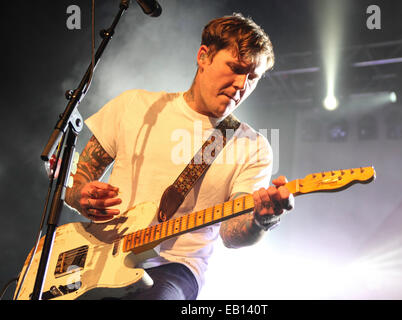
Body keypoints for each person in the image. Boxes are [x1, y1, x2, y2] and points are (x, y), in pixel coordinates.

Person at [64, 13, 294, 300]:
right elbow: (76, 181)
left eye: (253, 77)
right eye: (235, 68)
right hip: (95, 256)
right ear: (204, 57)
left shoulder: (252, 146)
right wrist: (82, 196)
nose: (241, 84)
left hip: (173, 270)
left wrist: (261, 221)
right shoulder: (136, 106)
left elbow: (232, 233)